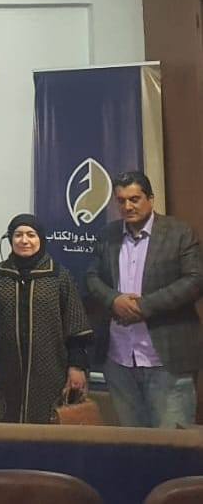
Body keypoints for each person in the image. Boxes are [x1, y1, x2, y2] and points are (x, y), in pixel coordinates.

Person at [86, 171, 201, 428]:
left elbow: (195, 281)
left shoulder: (179, 233)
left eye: (134, 199)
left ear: (151, 199)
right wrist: (114, 300)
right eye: (121, 200)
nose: (127, 206)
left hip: (166, 360)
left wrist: (142, 307)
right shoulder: (108, 235)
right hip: (120, 360)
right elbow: (92, 277)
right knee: (133, 444)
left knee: (172, 444)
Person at [0, 214, 91, 424]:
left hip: (51, 369)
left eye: (31, 235)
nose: (24, 241)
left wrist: (76, 366)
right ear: (10, 239)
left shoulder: (58, 276)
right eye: (18, 235)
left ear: (41, 238)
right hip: (7, 370)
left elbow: (75, 323)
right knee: (9, 423)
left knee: (47, 426)